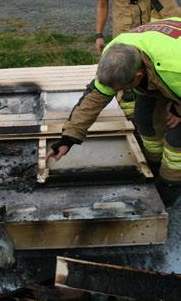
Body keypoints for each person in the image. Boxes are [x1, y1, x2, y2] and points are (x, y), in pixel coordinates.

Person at [46, 18, 181, 197]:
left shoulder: (174, 71)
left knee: (176, 136)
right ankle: (154, 164)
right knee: (144, 119)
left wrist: (178, 109)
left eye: (121, 88)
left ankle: (170, 184)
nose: (116, 92)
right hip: (159, 64)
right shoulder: (114, 54)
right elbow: (93, 100)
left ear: (138, 75)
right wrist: (67, 140)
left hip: (172, 68)